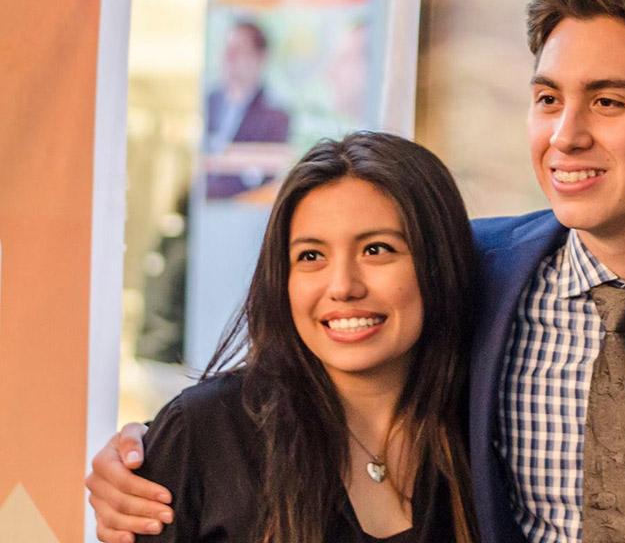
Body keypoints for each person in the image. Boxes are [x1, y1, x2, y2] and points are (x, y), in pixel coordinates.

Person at [88, 0, 625, 543]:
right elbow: (296, 390)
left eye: (607, 101)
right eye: (547, 99)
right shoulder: (472, 272)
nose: (567, 135)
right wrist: (146, 454)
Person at [121, 132, 478, 542]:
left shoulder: (485, 431)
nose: (342, 286)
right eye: (311, 256)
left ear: (440, 263)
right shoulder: (204, 433)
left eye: (377, 249)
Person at [205, 20, 291, 199]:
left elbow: (266, 180)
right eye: (227, 49)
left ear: (259, 58)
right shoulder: (208, 103)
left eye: (238, 50)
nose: (229, 58)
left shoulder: (275, 116)